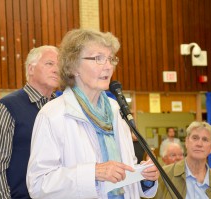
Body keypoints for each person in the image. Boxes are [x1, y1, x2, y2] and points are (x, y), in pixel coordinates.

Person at [26, 29, 159, 199]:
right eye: (99, 58)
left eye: (111, 59)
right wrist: (92, 173)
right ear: (74, 66)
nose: (109, 66)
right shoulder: (53, 115)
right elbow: (38, 185)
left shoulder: (116, 110)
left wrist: (144, 178)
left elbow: (125, 168)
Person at [0, 45, 59, 199]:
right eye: (50, 63)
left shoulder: (62, 108)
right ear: (31, 69)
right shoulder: (7, 107)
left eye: (60, 64)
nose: (56, 69)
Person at [154, 121, 211, 198]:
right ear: (186, 142)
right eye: (195, 138)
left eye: (205, 139)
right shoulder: (163, 175)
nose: (199, 144)